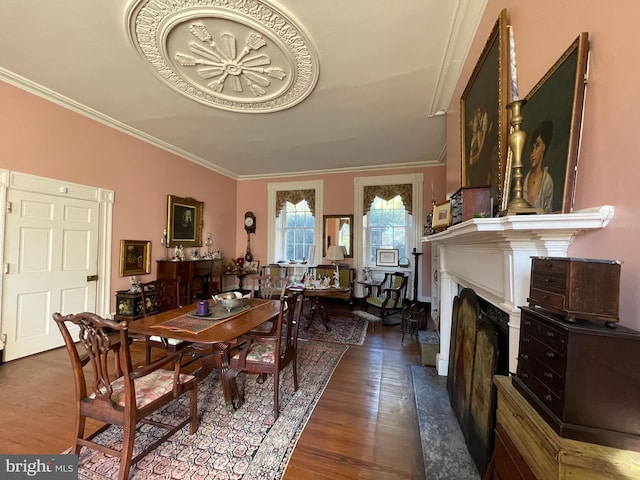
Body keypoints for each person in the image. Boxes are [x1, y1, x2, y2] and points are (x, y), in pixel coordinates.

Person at [523, 120, 554, 213]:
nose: (533, 154)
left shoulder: (547, 181)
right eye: (532, 148)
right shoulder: (525, 179)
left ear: (544, 147)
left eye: (537, 146)